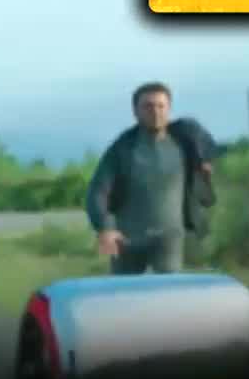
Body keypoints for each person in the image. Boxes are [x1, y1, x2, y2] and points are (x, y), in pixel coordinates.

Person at [85, 82, 218, 275]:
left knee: (168, 289)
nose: (155, 112)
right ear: (135, 111)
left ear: (169, 109)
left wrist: (206, 159)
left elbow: (211, 146)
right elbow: (97, 191)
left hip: (170, 237)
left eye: (160, 106)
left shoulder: (185, 140)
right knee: (126, 290)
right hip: (127, 239)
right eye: (147, 106)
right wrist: (105, 228)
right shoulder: (122, 148)